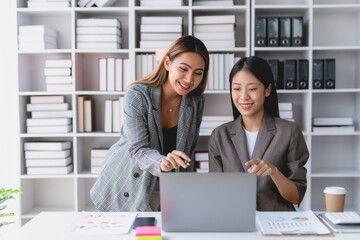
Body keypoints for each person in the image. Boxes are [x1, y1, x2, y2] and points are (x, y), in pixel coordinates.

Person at [90, 35, 209, 212]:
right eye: (183, 69)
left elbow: (188, 152)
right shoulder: (137, 94)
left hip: (165, 185)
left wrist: (187, 191)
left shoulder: (195, 102)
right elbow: (138, 149)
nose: (189, 79)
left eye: (198, 73)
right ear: (167, 63)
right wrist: (163, 163)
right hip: (125, 180)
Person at [208, 56, 309, 211]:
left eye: (252, 89)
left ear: (267, 90)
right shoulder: (220, 135)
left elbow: (296, 196)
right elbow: (214, 192)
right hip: (235, 221)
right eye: (236, 89)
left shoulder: (289, 132)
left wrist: (274, 172)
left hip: (276, 222)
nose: (244, 97)